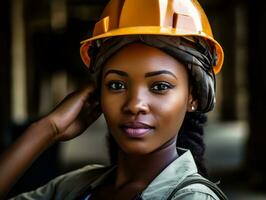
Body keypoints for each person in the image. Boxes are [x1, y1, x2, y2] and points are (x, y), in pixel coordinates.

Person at [0, 0, 228, 199]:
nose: (134, 104)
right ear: (98, 95)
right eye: (117, 85)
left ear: (194, 97)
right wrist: (47, 128)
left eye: (160, 86)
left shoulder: (192, 198)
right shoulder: (75, 187)